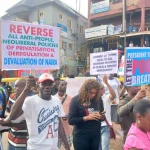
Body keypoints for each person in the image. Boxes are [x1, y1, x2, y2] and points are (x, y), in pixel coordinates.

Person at [2, 73, 70, 150]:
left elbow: (59, 124)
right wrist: (26, 89)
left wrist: (67, 146)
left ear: (53, 86)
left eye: (49, 84)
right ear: (38, 86)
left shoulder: (56, 101)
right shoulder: (30, 101)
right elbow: (13, 116)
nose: (47, 87)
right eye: (43, 84)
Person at [68, 79, 104, 150]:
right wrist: (87, 118)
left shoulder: (98, 99)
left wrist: (102, 117)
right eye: (91, 92)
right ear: (85, 90)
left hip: (95, 135)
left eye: (95, 93)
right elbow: (71, 120)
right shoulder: (76, 100)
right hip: (81, 136)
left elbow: (102, 116)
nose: (93, 95)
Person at [6, 79, 28, 150]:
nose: (17, 88)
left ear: (26, 88)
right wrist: (11, 117)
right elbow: (7, 111)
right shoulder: (12, 96)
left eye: (21, 86)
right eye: (16, 86)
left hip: (23, 141)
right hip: (11, 137)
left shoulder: (30, 100)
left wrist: (11, 121)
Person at [99, 76, 116, 150]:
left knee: (105, 148)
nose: (99, 91)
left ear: (103, 90)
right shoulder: (93, 99)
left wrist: (107, 83)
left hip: (105, 126)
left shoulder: (106, 97)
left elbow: (113, 95)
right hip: (96, 126)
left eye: (100, 89)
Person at [55, 81, 73, 149]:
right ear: (57, 86)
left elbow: (73, 111)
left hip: (67, 129)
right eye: (62, 84)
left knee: (68, 147)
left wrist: (67, 115)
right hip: (56, 130)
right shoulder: (53, 98)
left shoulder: (70, 99)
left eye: (65, 85)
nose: (64, 86)